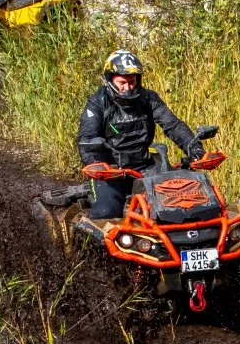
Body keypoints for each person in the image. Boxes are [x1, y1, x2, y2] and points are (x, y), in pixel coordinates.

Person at [77, 50, 204, 220]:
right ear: (110, 79)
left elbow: (173, 125)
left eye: (132, 81)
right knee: (107, 213)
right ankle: (93, 246)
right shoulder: (97, 103)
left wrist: (194, 148)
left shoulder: (148, 98)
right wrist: (95, 163)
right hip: (111, 171)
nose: (128, 88)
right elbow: (87, 138)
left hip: (146, 167)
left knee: (183, 204)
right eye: (122, 82)